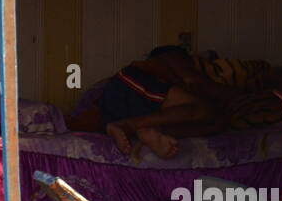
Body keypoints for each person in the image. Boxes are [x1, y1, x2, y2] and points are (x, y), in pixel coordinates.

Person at [99, 45, 241, 159]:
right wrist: (234, 94)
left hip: (121, 107)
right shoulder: (170, 58)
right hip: (127, 87)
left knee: (217, 123)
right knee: (205, 109)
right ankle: (127, 126)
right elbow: (196, 82)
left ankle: (150, 131)